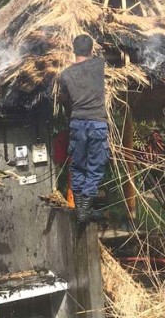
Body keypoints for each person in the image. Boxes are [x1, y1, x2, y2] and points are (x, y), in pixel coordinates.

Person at [59, 34, 109, 223]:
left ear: (73, 50)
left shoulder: (65, 74)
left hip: (77, 123)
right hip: (96, 123)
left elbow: (64, 100)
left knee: (77, 165)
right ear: (91, 50)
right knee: (95, 166)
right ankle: (84, 210)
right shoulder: (98, 65)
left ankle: (82, 210)